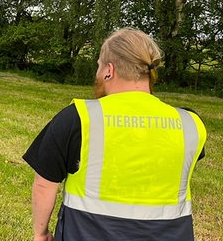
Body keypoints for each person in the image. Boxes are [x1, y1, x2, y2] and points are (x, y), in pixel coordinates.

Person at [22, 28, 207, 241]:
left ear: (109, 70)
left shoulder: (78, 118)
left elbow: (45, 184)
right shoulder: (190, 123)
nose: (98, 73)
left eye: (99, 66)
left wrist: (41, 233)